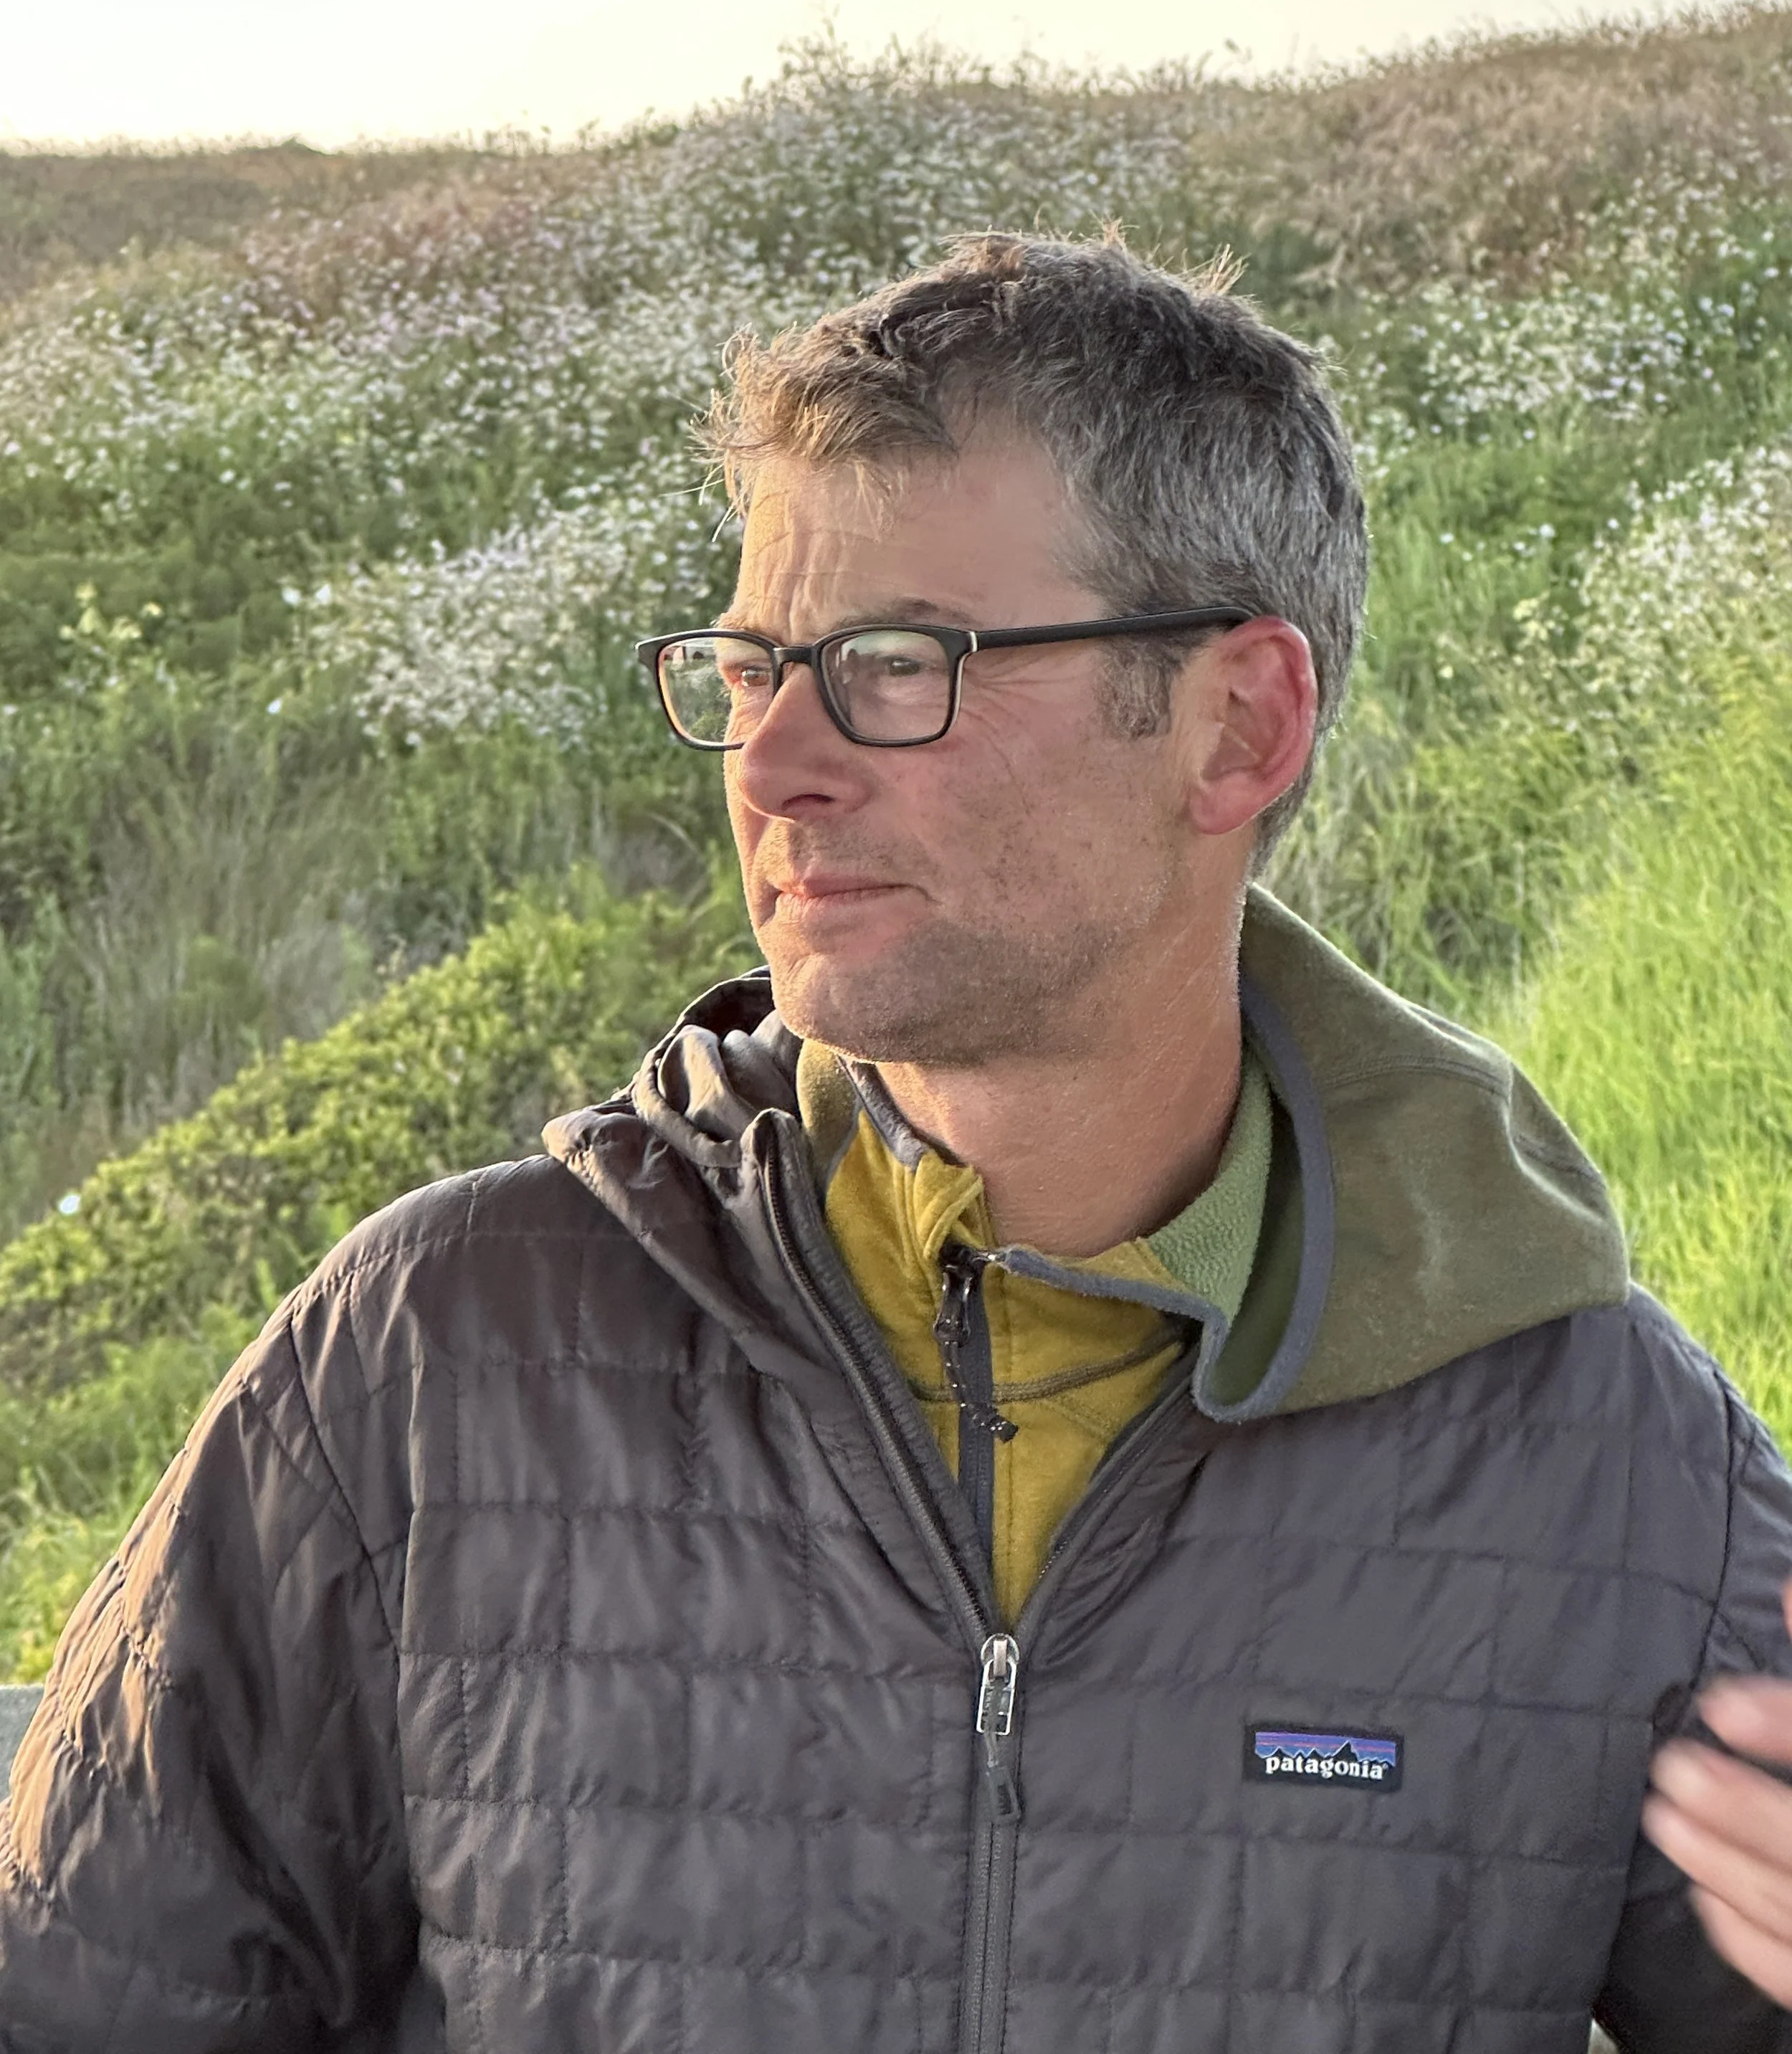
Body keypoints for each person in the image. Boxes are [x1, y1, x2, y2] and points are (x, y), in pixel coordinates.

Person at [2, 232, 1791, 2054]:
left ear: (1235, 724)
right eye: (748, 664)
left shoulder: (1611, 1464)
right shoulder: (421, 1364)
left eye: (890, 665)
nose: (774, 762)